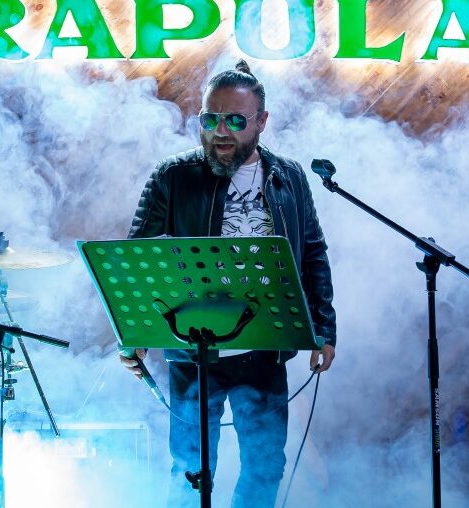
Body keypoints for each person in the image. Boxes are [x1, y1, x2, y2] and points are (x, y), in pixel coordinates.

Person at [120, 60, 336, 508]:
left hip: (265, 349)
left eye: (235, 121)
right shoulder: (173, 176)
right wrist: (134, 333)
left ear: (261, 121)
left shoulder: (290, 177)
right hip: (192, 351)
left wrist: (324, 329)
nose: (221, 131)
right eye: (210, 119)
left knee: (265, 466)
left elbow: (313, 252)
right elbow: (138, 259)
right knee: (191, 471)